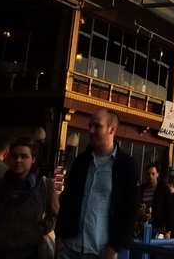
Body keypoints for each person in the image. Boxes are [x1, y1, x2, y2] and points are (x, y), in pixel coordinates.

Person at [55, 110, 140, 259]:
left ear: (112, 129)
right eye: (90, 126)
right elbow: (67, 199)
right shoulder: (81, 161)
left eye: (97, 126)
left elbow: (131, 210)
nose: (91, 131)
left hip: (100, 252)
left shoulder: (127, 165)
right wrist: (60, 237)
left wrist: (113, 247)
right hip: (69, 248)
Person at [0, 138, 58, 259]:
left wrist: (39, 231)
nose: (18, 160)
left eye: (24, 156)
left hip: (30, 253)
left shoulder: (44, 186)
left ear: (33, 160)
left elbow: (55, 216)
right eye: (14, 156)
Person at [140, 163, 170, 234]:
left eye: (153, 174)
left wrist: (168, 230)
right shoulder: (142, 189)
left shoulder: (163, 189)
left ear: (157, 174)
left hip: (159, 227)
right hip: (143, 225)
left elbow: (169, 208)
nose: (150, 176)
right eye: (148, 174)